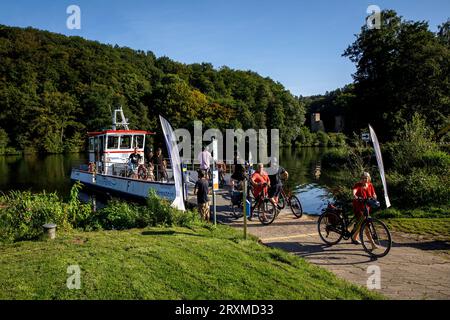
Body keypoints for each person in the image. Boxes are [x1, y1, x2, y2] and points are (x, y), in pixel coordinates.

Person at [351, 172, 378, 248]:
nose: (364, 179)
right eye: (363, 178)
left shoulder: (370, 185)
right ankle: (373, 244)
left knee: (360, 223)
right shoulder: (358, 185)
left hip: (366, 208)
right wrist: (355, 195)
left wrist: (374, 196)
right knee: (365, 225)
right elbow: (354, 190)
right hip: (358, 207)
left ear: (368, 178)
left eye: (366, 178)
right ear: (361, 179)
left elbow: (374, 194)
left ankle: (354, 237)